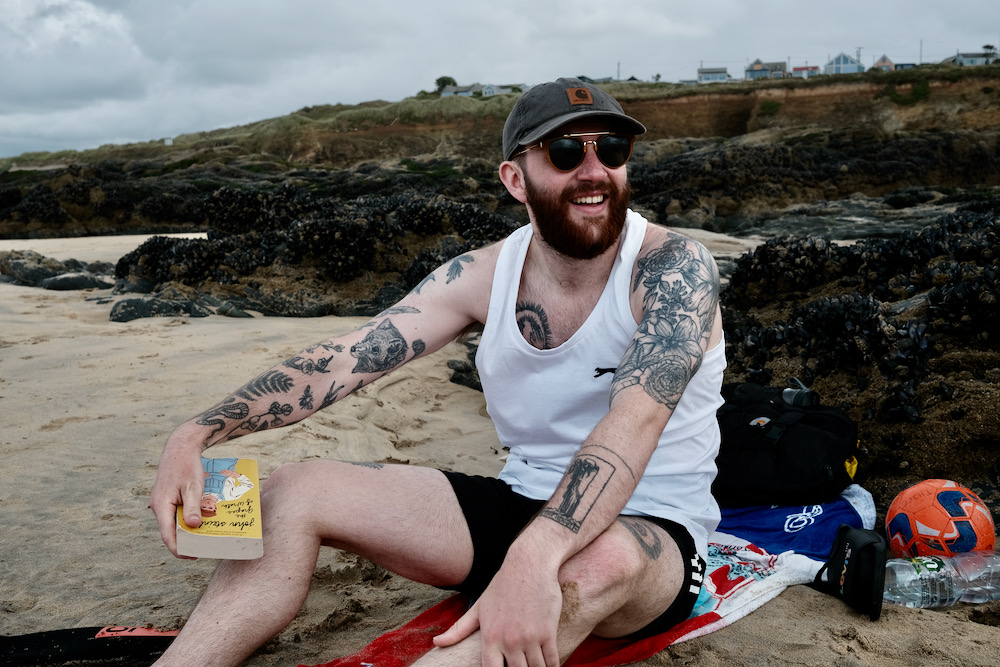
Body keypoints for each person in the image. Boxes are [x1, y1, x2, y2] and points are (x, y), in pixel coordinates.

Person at [149, 76, 726, 667]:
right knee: (293, 490)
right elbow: (347, 357)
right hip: (521, 499)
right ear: (514, 179)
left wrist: (537, 556)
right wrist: (195, 433)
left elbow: (635, 419)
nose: (593, 169)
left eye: (610, 149)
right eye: (563, 152)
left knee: (595, 570)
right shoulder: (483, 274)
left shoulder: (673, 269)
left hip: (652, 530)